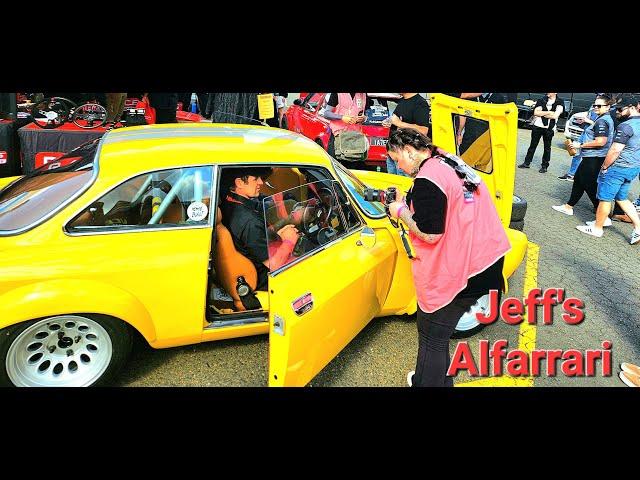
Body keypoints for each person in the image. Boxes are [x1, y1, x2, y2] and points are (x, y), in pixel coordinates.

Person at [385, 129, 511, 387]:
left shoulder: (427, 181)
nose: (397, 166)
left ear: (410, 151)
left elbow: (430, 234)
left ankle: (428, 382)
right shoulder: (447, 159)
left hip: (464, 272)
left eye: (397, 159)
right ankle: (432, 379)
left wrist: (399, 210)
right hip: (488, 259)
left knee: (432, 337)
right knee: (436, 334)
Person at [220, 167, 300, 291]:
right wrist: (289, 241)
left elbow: (252, 241)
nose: (261, 183)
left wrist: (277, 235)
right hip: (266, 280)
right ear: (239, 183)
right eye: (255, 179)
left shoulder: (228, 203)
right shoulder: (249, 221)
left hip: (249, 269)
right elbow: (273, 265)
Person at [575, 97, 640, 245]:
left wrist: (604, 167)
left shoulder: (626, 126)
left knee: (605, 198)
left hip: (618, 168)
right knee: (622, 198)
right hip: (632, 168)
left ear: (632, 107)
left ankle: (597, 228)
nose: (616, 112)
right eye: (616, 108)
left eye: (620, 109)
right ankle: (638, 228)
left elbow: (615, 149)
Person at [552, 95, 615, 217]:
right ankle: (568, 206)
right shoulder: (602, 118)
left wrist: (580, 145)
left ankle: (603, 215)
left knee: (589, 185)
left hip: (595, 158)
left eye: (599, 105)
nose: (595, 107)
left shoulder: (603, 121)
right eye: (595, 105)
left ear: (607, 107)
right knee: (579, 180)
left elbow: (601, 141)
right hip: (591, 157)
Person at [382, 93, 430, 177]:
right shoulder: (402, 101)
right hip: (393, 153)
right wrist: (391, 123)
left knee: (404, 186)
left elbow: (423, 130)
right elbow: (396, 120)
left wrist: (399, 123)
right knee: (392, 185)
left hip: (406, 157)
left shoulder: (420, 103)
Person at [519, 93, 564, 173]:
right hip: (537, 126)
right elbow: (536, 113)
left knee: (547, 148)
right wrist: (549, 112)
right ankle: (527, 163)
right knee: (532, 145)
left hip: (549, 128)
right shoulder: (541, 100)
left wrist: (542, 113)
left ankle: (544, 166)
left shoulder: (560, 102)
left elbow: (555, 116)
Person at [322, 93, 371, 166]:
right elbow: (326, 113)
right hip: (338, 136)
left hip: (354, 137)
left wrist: (364, 118)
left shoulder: (363, 95)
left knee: (353, 167)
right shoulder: (337, 94)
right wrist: (342, 117)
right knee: (335, 165)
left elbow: (367, 113)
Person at [558, 102, 599, 181]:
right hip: (584, 133)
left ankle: (585, 178)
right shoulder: (594, 105)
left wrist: (589, 121)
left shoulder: (605, 109)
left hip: (592, 137)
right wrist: (583, 121)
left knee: (588, 157)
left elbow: (599, 124)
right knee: (576, 154)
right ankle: (571, 174)